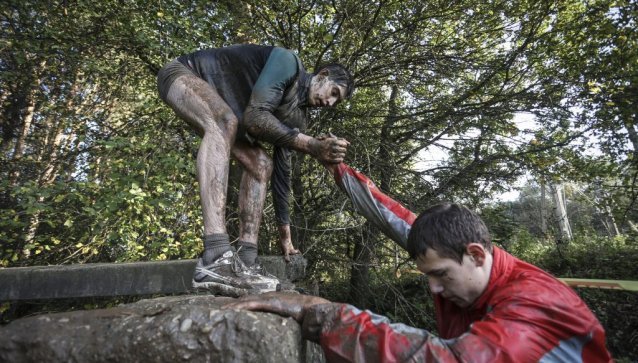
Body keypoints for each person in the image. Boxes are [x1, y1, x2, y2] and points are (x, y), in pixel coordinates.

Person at [225, 164, 613, 362]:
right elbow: (394, 217)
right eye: (428, 276)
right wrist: (336, 169)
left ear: (476, 254)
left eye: (441, 276)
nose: (434, 289)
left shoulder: (535, 303)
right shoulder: (453, 251)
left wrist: (326, 315)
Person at [157, 44, 354, 295]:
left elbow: (282, 174)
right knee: (224, 122)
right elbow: (255, 118)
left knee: (262, 165)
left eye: (336, 101)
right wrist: (312, 145)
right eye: (334, 92)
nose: (330, 102)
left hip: (228, 117)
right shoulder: (288, 61)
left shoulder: (299, 118)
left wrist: (286, 235)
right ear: (323, 75)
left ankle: (246, 261)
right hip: (183, 76)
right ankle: (215, 255)